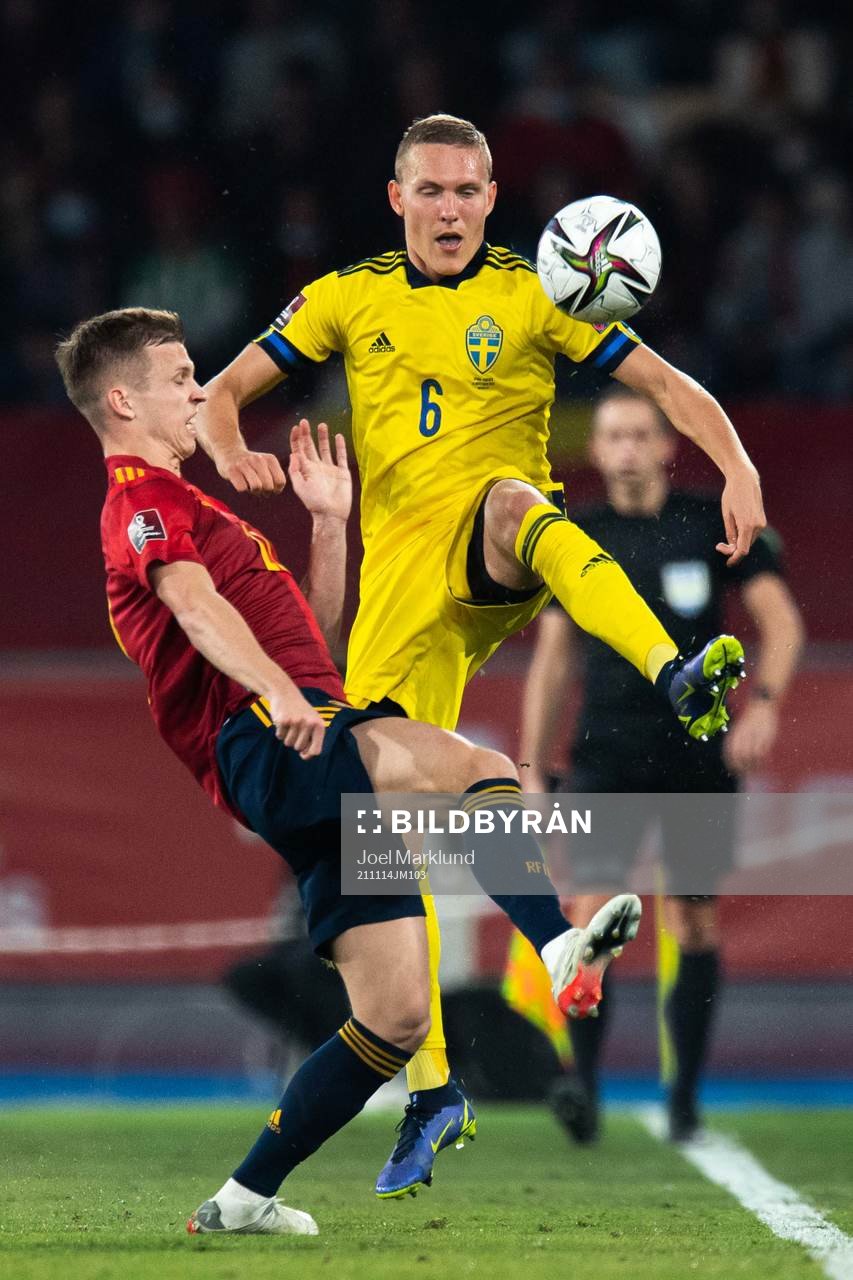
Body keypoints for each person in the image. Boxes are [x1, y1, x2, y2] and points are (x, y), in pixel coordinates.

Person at [196, 112, 763, 1195]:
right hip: (400, 600)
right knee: (386, 827)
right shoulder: (344, 298)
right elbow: (222, 393)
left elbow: (666, 386)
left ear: (493, 199)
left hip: (496, 553)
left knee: (516, 502)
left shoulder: (538, 292)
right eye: (432, 190)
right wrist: (228, 448)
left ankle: (672, 669)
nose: (450, 209)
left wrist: (735, 464)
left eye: (467, 191)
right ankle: (432, 1086)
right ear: (397, 198)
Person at [54, 306, 644, 1235]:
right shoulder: (139, 502)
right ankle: (554, 943)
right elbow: (195, 607)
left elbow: (314, 652)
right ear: (123, 401)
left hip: (295, 733)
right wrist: (272, 691)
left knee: (396, 1015)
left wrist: (330, 527)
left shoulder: (195, 509)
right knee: (476, 768)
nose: (201, 393)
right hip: (266, 742)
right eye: (181, 379)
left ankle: (242, 1199)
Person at [518, 385, 804, 1141]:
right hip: (603, 755)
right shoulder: (576, 534)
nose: (627, 449)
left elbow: (780, 623)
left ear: (668, 445)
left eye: (641, 435)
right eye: (613, 436)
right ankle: (583, 1088)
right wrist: (532, 765)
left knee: (693, 920)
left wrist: (764, 705)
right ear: (595, 449)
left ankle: (684, 1099)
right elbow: (553, 659)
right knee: (590, 919)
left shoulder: (709, 521)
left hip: (695, 758)